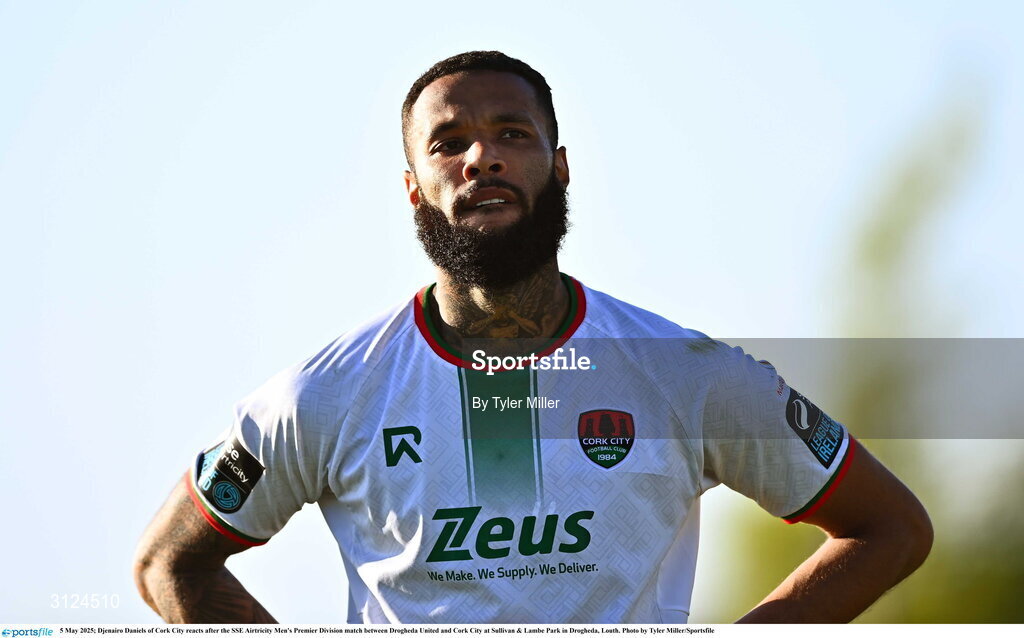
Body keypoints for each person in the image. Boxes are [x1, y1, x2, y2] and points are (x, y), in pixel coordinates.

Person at [133, 51, 932, 624]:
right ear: (413, 188)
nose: (482, 157)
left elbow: (890, 527)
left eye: (512, 134)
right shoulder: (326, 396)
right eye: (448, 143)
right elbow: (169, 561)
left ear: (560, 165)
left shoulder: (687, 375)